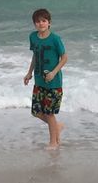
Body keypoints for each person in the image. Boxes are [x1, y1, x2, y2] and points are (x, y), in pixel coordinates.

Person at [23, 8, 67, 149]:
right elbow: (35, 56)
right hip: (39, 80)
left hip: (53, 83)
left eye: (44, 21)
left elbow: (64, 58)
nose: (40, 24)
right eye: (37, 21)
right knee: (36, 112)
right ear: (34, 24)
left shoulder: (55, 39)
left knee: (49, 114)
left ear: (49, 23)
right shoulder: (33, 37)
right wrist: (29, 73)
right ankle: (57, 127)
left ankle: (53, 142)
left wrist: (54, 72)